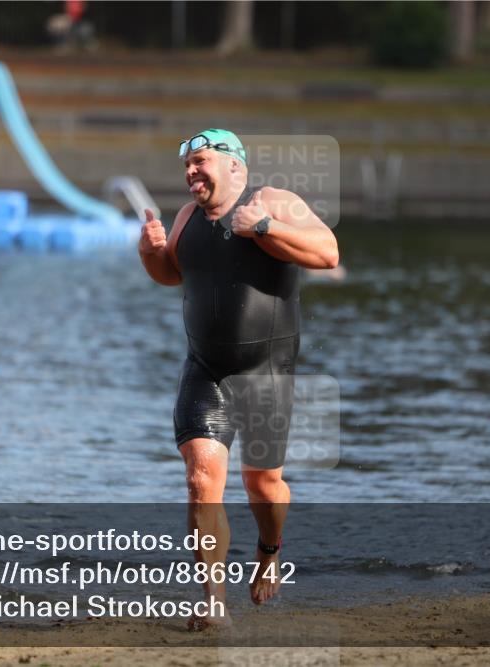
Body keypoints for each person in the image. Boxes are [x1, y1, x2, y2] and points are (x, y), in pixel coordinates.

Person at [139, 129, 339, 630]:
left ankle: (270, 549)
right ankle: (213, 602)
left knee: (263, 487)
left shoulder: (273, 202)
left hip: (265, 374)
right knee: (201, 481)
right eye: (185, 165)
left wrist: (267, 227)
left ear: (235, 167)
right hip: (205, 369)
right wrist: (151, 252)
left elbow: (328, 253)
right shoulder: (186, 217)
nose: (190, 173)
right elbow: (172, 274)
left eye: (200, 161)